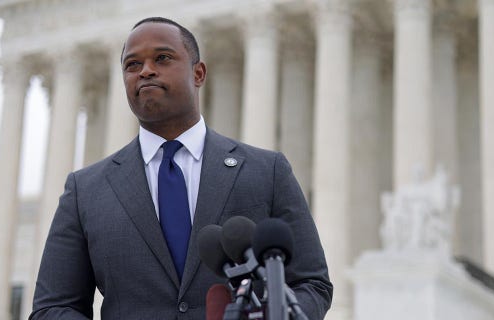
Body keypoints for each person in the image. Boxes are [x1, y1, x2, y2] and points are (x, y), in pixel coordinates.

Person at [30, 17, 332, 319]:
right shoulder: (86, 190)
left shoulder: (267, 171)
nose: (146, 70)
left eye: (162, 58)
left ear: (198, 73)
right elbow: (53, 306)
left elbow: (311, 283)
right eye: (132, 65)